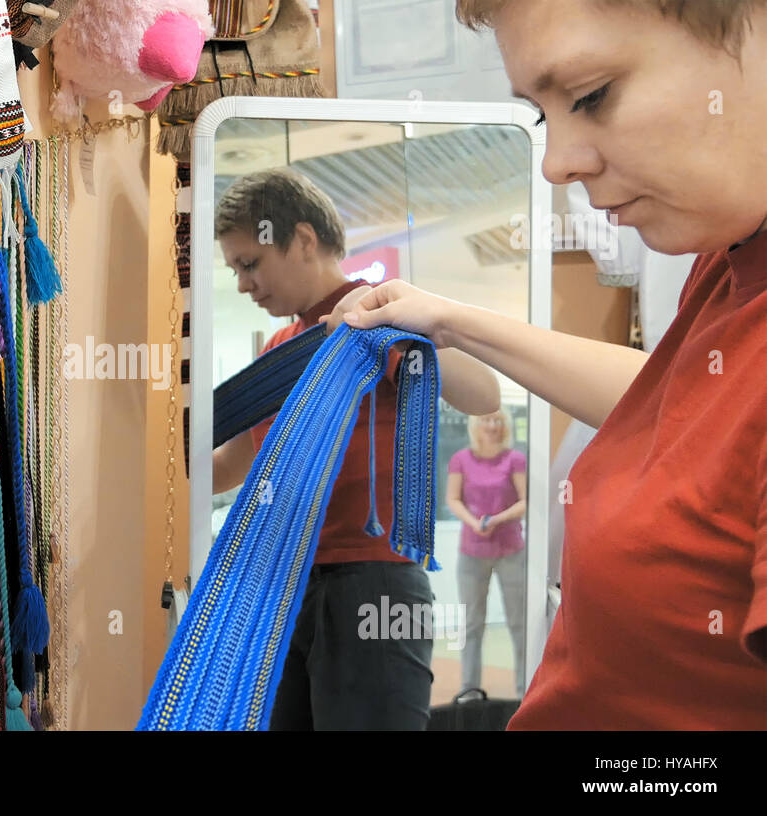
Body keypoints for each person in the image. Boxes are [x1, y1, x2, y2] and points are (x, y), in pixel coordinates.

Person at [328, 0, 767, 729]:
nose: (558, 162)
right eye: (543, 114)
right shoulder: (731, 254)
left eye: (591, 95)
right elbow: (697, 408)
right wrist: (451, 320)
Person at [212, 168, 501, 730]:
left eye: (250, 263)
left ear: (301, 239)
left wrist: (404, 323)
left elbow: (484, 394)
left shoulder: (375, 318)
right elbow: (237, 464)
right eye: (235, 270)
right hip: (289, 584)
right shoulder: (281, 349)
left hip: (375, 583)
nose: (244, 284)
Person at [446, 409, 527, 698]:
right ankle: (469, 689)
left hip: (511, 551)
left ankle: (524, 691)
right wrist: (473, 522)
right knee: (471, 624)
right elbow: (453, 499)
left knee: (520, 623)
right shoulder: (461, 460)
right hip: (471, 552)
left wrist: (498, 519)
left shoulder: (515, 460)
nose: (492, 426)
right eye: (486, 421)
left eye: (497, 421)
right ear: (476, 425)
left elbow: (525, 501)